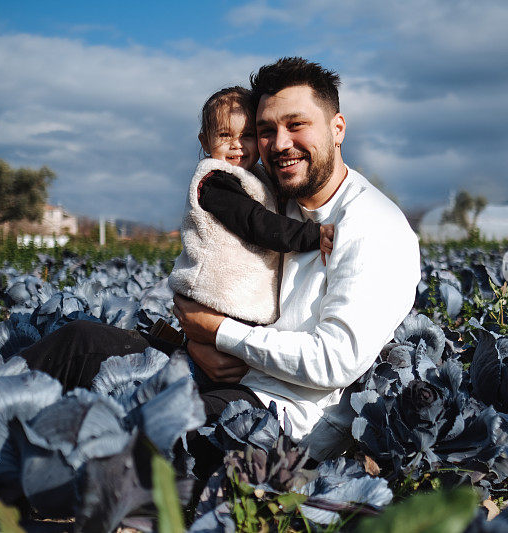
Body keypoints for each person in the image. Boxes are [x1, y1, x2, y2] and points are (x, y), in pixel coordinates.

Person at [172, 57, 421, 459]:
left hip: (280, 419)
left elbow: (334, 360)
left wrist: (218, 334)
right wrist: (198, 338)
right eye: (266, 131)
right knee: (78, 344)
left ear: (337, 128)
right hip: (221, 373)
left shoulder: (376, 226)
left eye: (296, 124)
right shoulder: (274, 196)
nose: (280, 143)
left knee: (150, 432)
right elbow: (209, 260)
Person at [168, 86, 335, 327]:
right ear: (205, 141)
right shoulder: (215, 181)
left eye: (246, 135)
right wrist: (312, 234)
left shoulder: (255, 176)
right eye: (225, 135)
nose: (237, 145)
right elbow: (256, 222)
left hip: (237, 300)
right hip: (215, 297)